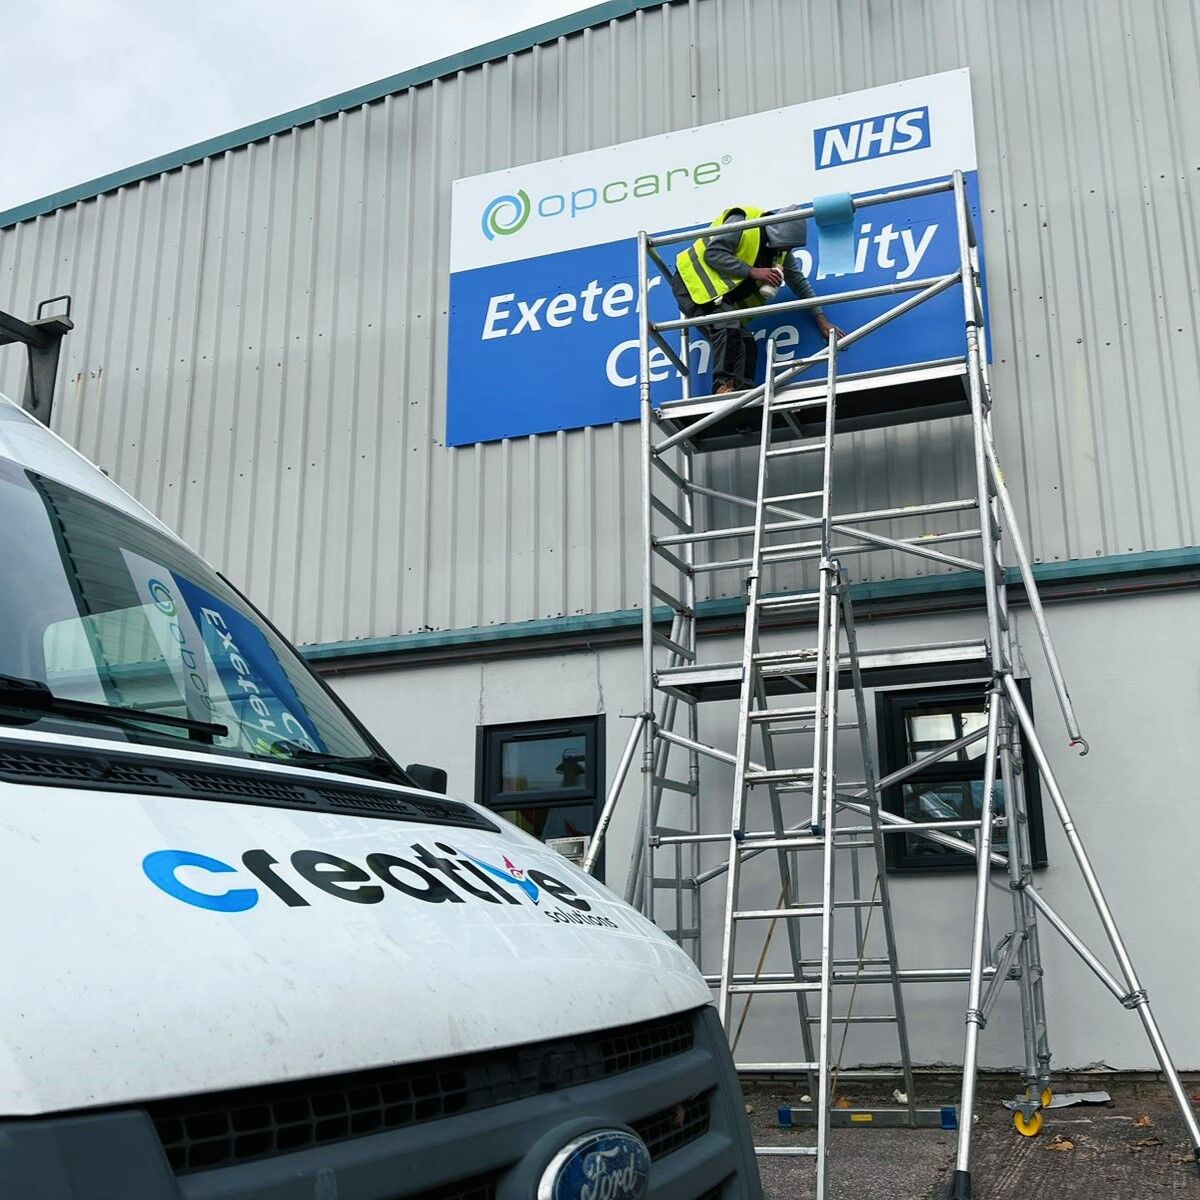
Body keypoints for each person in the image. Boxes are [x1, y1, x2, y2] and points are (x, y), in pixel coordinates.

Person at [671, 204, 841, 394]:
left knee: (746, 343)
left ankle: (742, 392)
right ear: (778, 236)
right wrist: (753, 272)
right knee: (727, 327)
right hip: (693, 284)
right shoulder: (743, 221)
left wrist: (822, 320)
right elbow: (713, 253)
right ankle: (722, 386)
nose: (788, 250)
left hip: (715, 295)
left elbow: (799, 284)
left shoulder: (780, 253)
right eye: (788, 245)